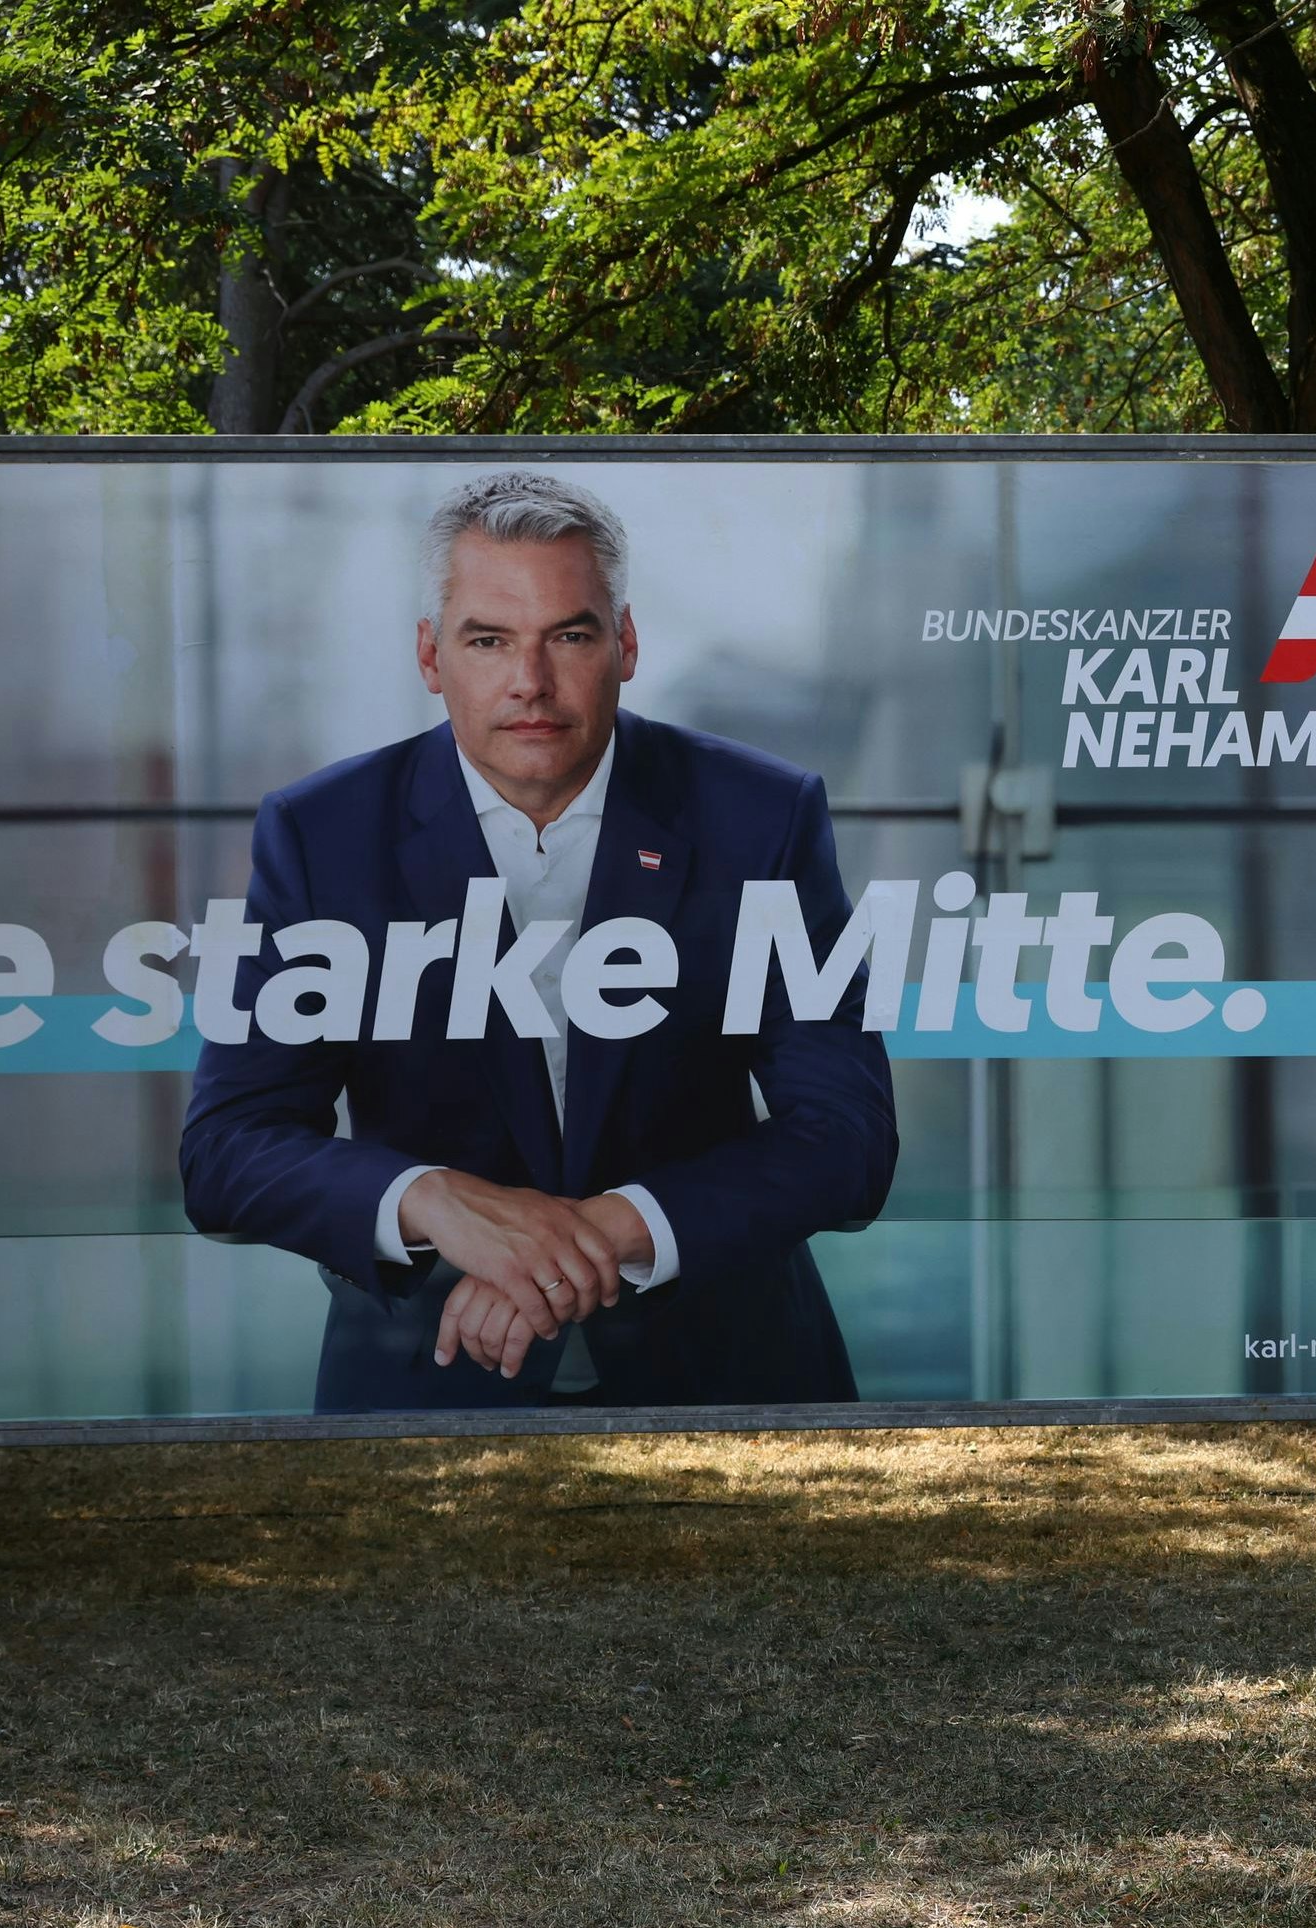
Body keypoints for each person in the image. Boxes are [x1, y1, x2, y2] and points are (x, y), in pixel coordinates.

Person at [181, 471, 899, 1411]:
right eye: (489, 640)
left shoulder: (759, 817)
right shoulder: (324, 835)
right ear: (431, 656)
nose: (531, 682)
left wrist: (604, 1232)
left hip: (726, 1383)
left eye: (570, 634)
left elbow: (846, 1138)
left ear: (626, 644)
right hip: (425, 1383)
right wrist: (438, 1203)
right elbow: (229, 1147)